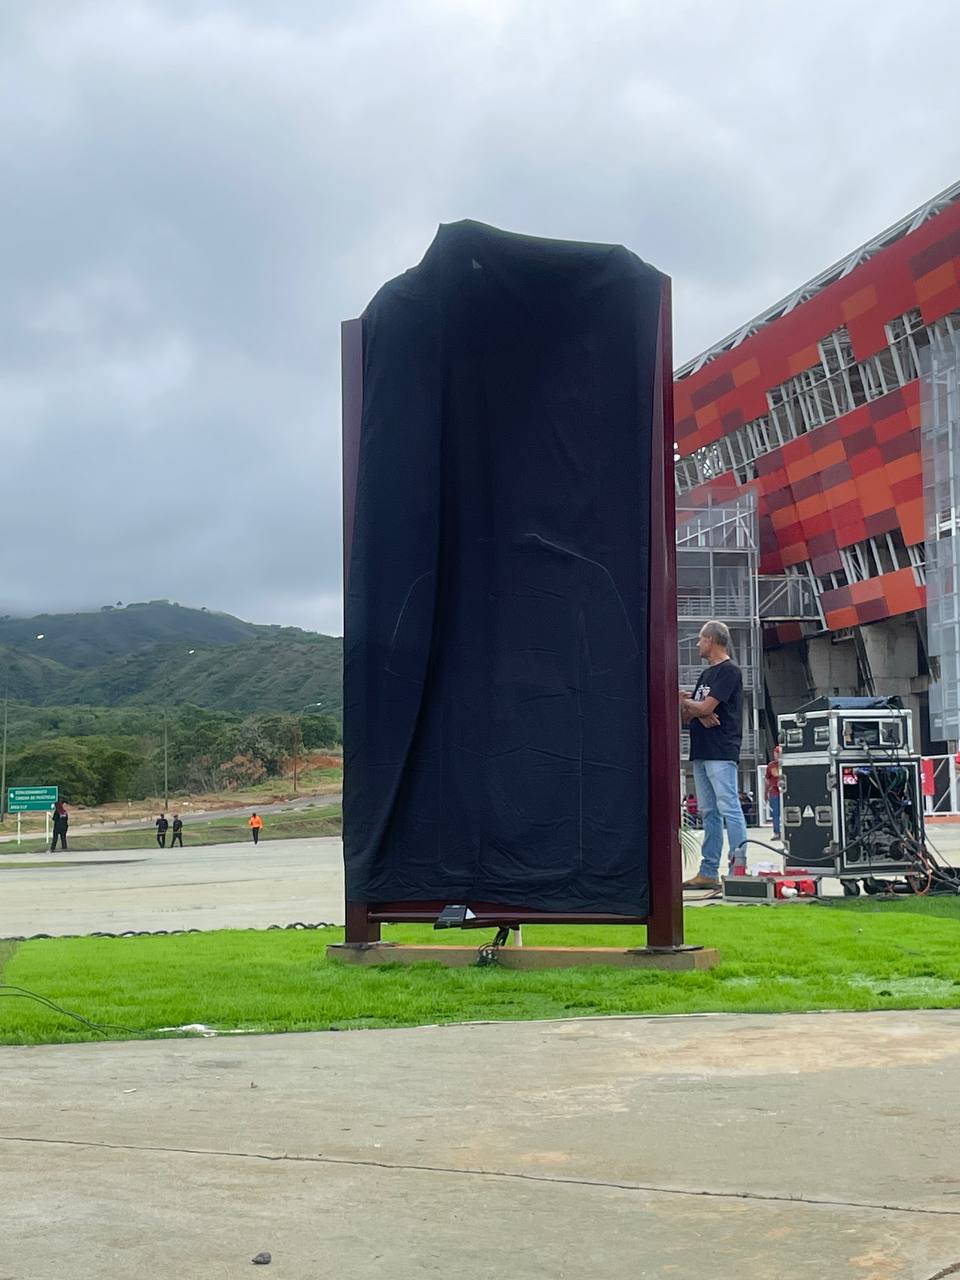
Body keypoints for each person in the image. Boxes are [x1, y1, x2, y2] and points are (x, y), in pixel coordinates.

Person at [678, 619, 748, 888]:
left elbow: (704, 708)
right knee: (709, 812)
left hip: (721, 749)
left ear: (711, 639)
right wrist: (697, 710)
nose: (697, 644)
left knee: (729, 807)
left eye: (700, 639)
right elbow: (691, 714)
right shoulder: (706, 675)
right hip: (702, 750)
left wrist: (691, 705)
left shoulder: (729, 672)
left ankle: (738, 867)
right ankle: (708, 871)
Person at [765, 745, 782, 843]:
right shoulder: (771, 765)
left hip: (784, 791)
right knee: (775, 813)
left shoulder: (785, 764)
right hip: (774, 792)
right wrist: (766, 792)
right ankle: (776, 832)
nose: (778, 755)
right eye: (776, 753)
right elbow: (767, 779)